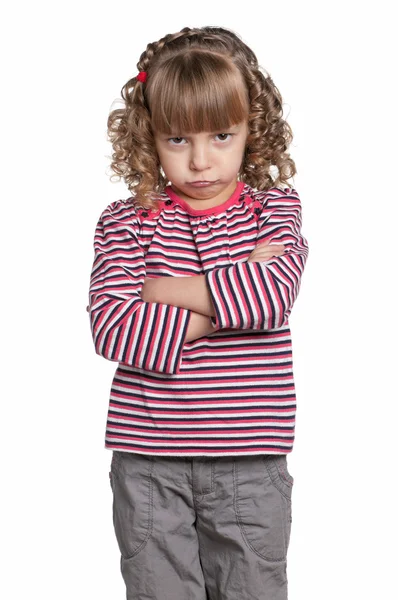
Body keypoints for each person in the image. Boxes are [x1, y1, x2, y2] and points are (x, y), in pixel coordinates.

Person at [88, 25, 309, 600]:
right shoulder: (126, 221)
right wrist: (227, 305)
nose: (202, 160)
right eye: (178, 140)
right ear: (149, 137)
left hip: (249, 460)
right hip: (149, 461)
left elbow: (272, 297)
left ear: (250, 131)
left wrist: (160, 288)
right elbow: (112, 325)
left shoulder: (274, 210)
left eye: (221, 134)